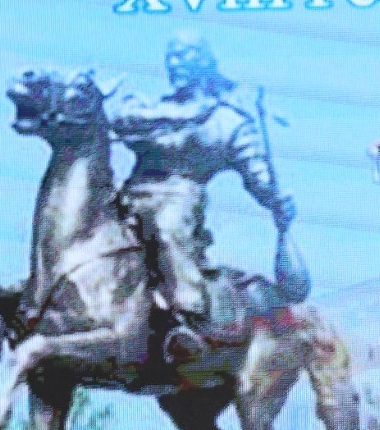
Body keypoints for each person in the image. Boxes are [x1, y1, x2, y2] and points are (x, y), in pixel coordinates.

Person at [108, 36, 292, 357]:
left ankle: (187, 315)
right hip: (130, 192)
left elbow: (257, 174)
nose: (175, 62)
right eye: (171, 55)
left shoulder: (228, 121)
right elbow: (114, 124)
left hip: (179, 196)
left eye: (185, 54)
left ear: (205, 62)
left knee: (167, 230)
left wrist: (277, 199)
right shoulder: (148, 109)